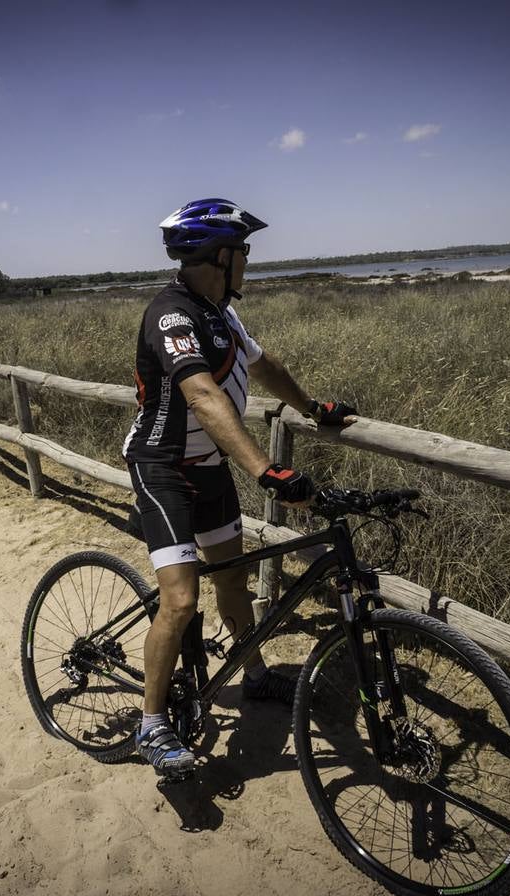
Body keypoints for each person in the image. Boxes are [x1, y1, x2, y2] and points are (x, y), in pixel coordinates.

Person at [122, 198, 357, 776]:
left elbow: (263, 365)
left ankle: (253, 675)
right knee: (181, 599)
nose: (250, 260)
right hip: (163, 467)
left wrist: (313, 407)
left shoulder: (220, 312)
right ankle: (151, 726)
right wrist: (266, 469)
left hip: (208, 470)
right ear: (217, 256)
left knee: (231, 579)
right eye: (243, 251)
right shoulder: (171, 314)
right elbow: (202, 395)